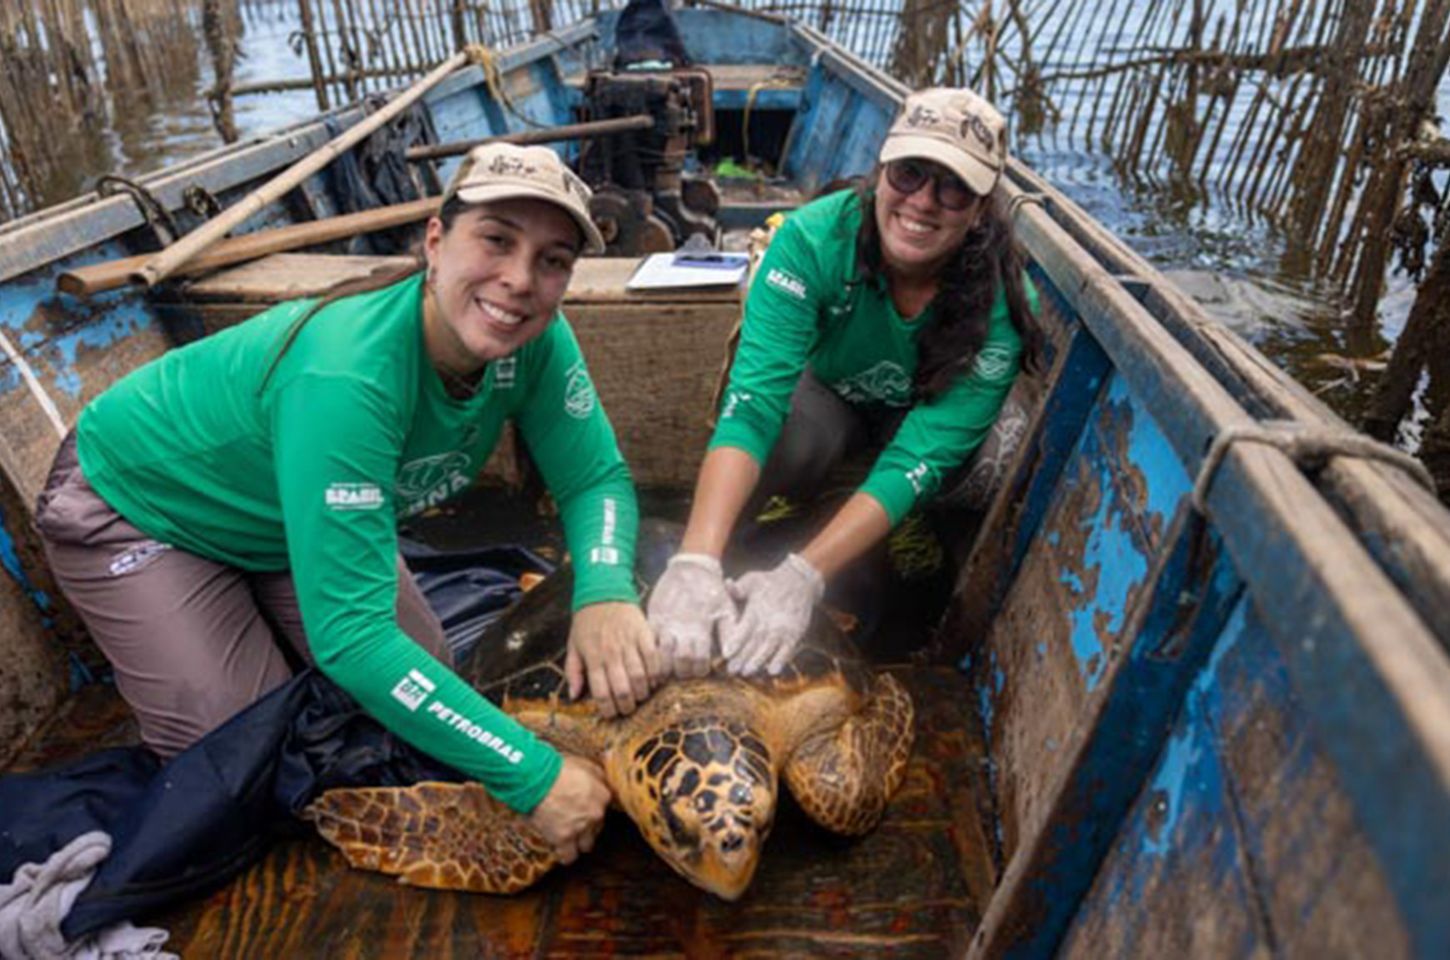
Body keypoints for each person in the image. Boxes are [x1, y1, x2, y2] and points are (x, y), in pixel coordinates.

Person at [34, 142, 662, 868]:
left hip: (283, 523)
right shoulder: (349, 374)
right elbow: (355, 636)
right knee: (242, 757)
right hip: (137, 505)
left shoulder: (539, 343)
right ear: (435, 240)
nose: (519, 281)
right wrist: (531, 773)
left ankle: (245, 615)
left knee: (429, 680)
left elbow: (594, 479)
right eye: (495, 240)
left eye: (552, 260)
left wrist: (607, 587)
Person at [648, 87, 1043, 678]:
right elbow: (752, 405)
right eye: (910, 174)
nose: (924, 202)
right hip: (829, 400)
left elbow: (922, 455)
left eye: (954, 187)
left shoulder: (1003, 306)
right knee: (787, 434)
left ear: (982, 208)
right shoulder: (810, 240)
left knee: (991, 457)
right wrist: (698, 557)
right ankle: (724, 547)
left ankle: (907, 533)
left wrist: (803, 576)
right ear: (880, 171)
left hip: (916, 422)